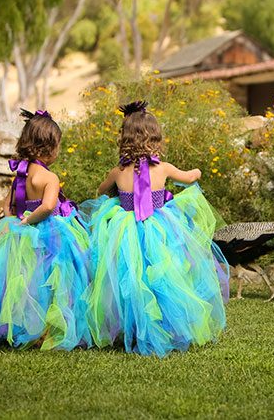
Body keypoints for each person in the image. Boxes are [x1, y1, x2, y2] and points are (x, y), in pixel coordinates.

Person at [83, 100, 229, 356]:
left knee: (129, 279)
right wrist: (197, 171)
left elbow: (101, 190)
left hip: (125, 230)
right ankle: (164, 327)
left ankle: (136, 328)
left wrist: (118, 195)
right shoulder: (163, 168)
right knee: (164, 275)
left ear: (125, 139)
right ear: (154, 139)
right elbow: (190, 177)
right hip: (159, 230)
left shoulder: (117, 171)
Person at [0, 109, 92, 350]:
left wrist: (16, 221)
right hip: (50, 234)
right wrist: (30, 221)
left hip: (22, 233)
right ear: (50, 147)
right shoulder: (49, 177)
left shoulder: (21, 175)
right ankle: (49, 329)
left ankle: (21, 326)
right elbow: (48, 206)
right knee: (54, 281)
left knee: (24, 281)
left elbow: (7, 205)